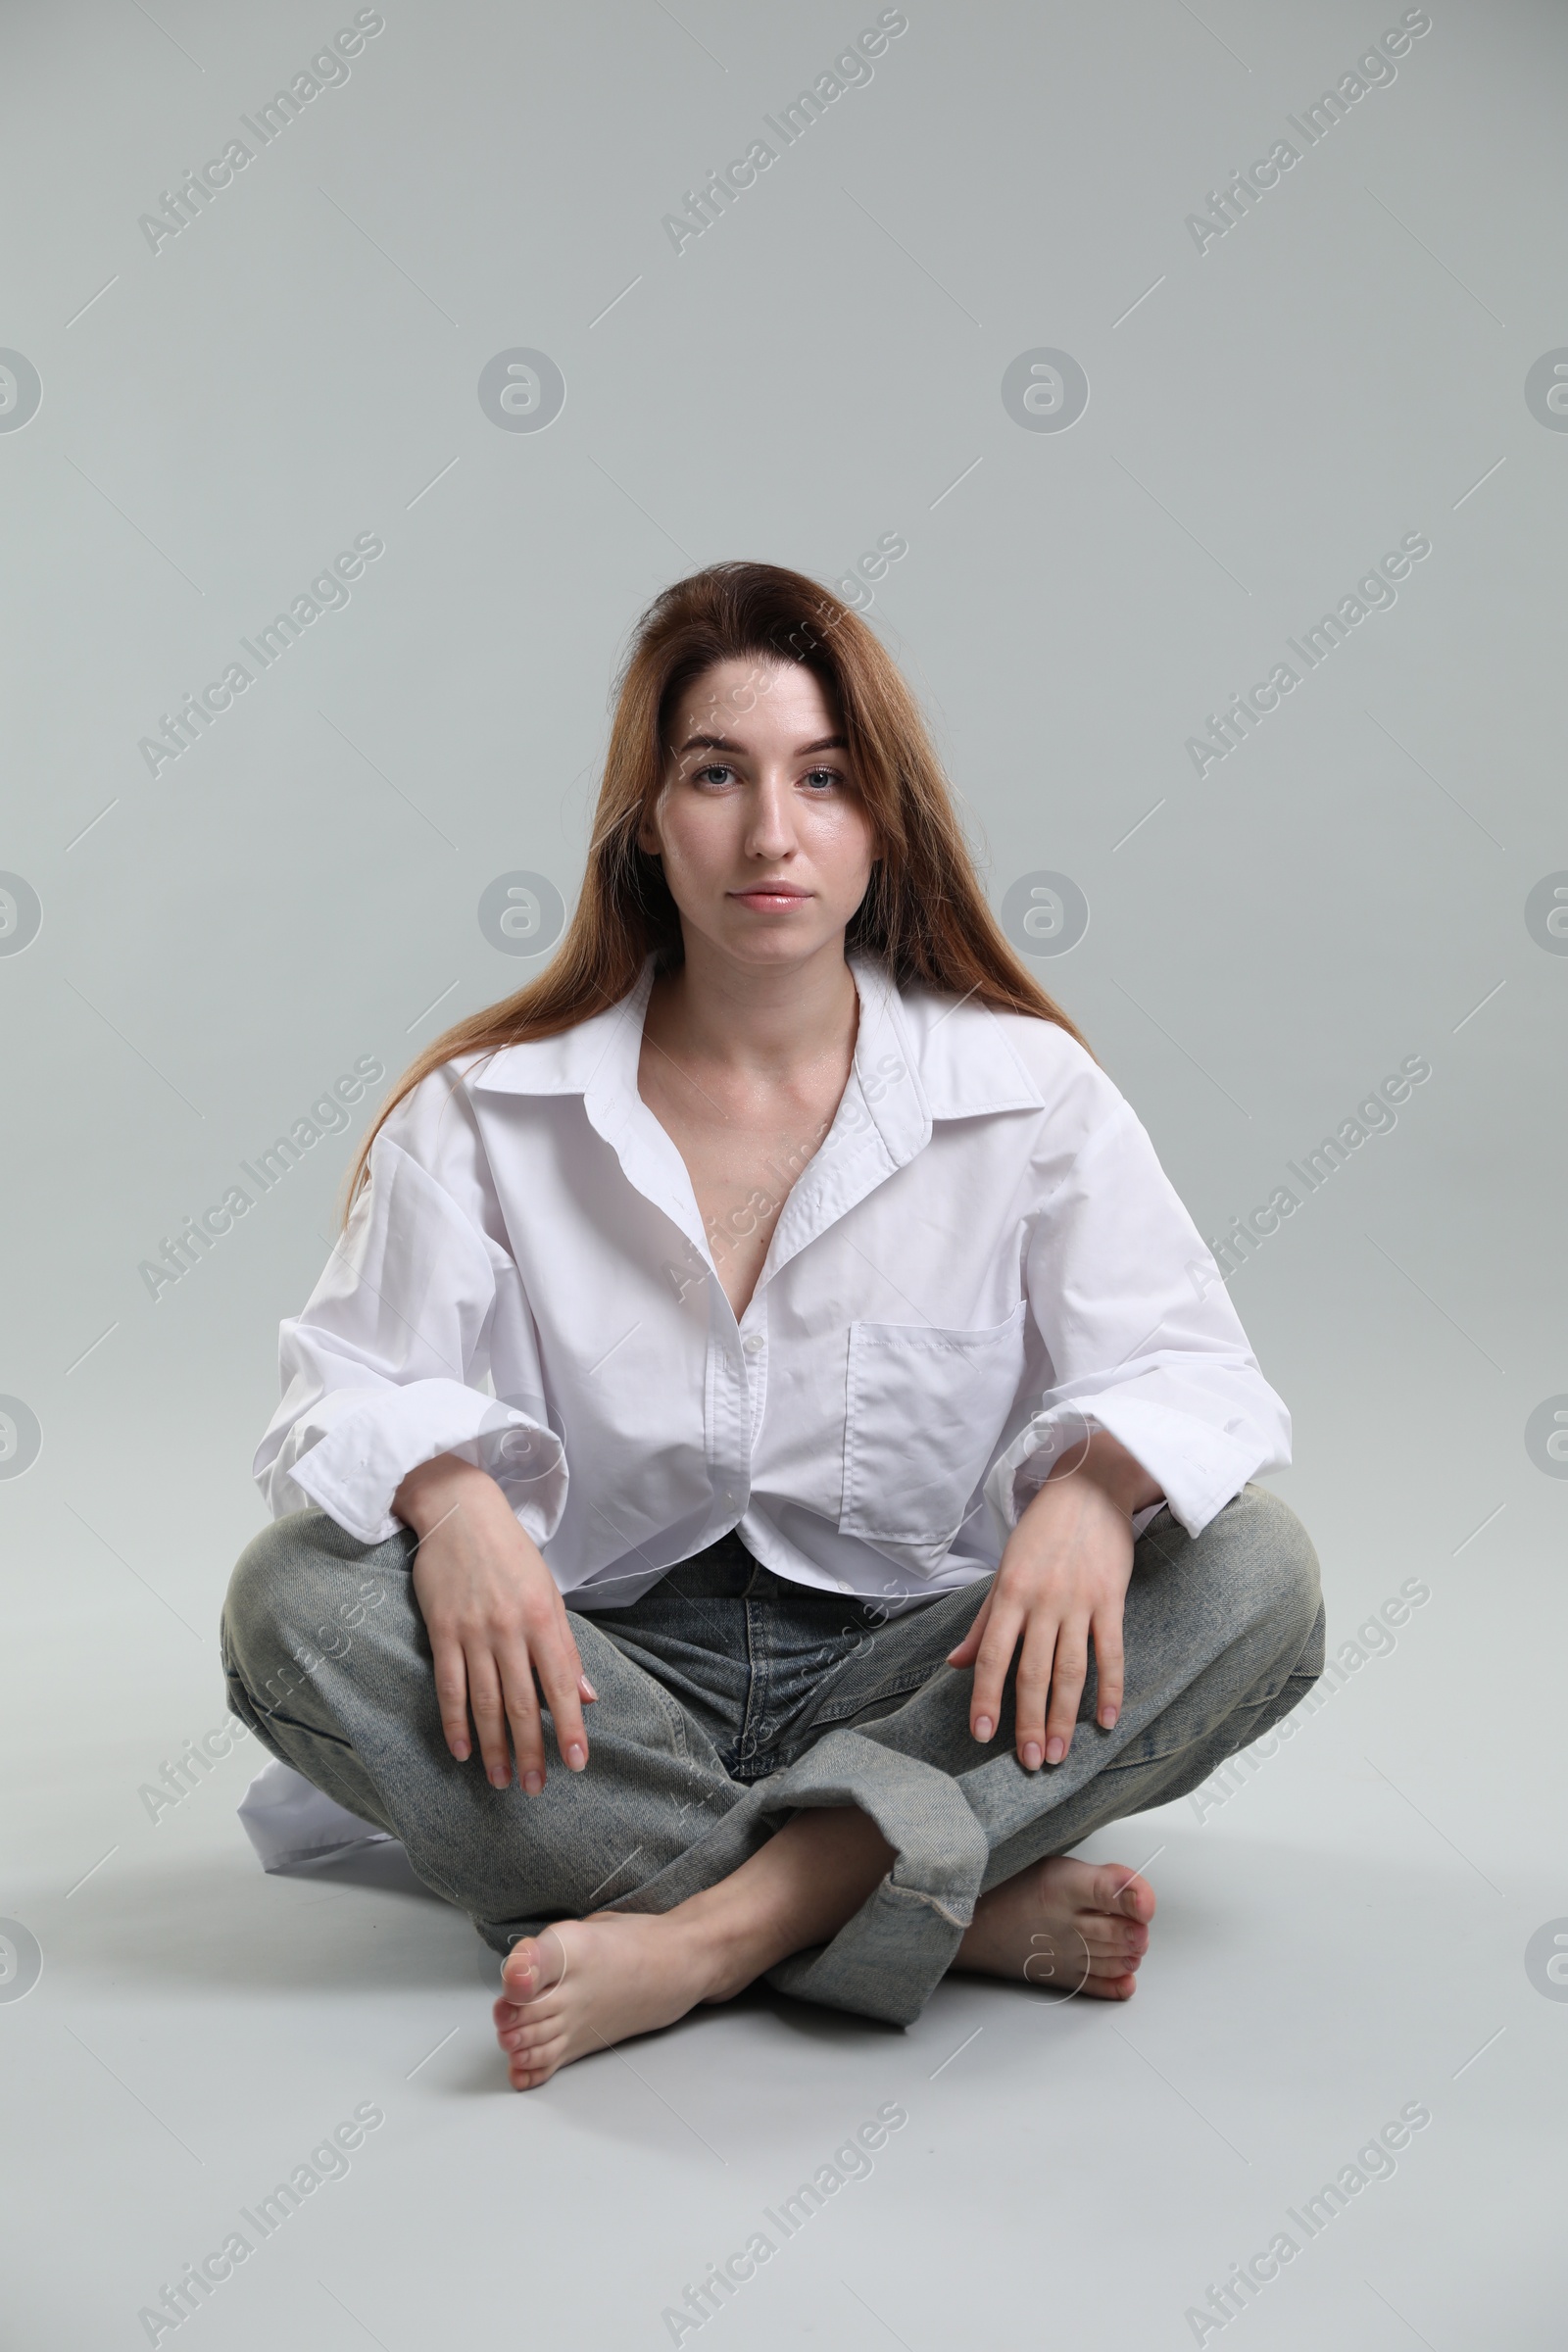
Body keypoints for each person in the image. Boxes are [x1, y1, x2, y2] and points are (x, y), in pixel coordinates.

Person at [221, 561, 1324, 2092]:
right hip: (594, 1681)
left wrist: (1095, 1487)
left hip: (919, 1671)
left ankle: (712, 1933)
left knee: (1254, 1571)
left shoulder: (1026, 1091)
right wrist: (450, 1493)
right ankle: (929, 1899)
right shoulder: (487, 1110)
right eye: (716, 775)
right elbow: (329, 1399)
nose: (770, 834)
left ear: (884, 817)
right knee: (297, 1604)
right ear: (646, 820)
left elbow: (1201, 1378)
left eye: (823, 777)